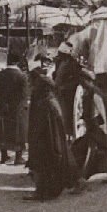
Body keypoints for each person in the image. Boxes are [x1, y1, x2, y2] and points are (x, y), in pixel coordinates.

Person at [26, 69, 77, 201]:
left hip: (46, 141)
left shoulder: (45, 103)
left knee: (44, 165)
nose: (32, 87)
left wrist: (34, 139)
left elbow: (42, 125)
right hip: (50, 141)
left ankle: (43, 191)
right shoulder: (50, 101)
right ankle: (45, 190)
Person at [0, 63, 30, 166]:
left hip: (3, 109)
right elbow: (24, 95)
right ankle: (18, 158)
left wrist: (1, 104)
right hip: (17, 110)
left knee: (2, 132)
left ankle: (4, 156)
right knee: (19, 133)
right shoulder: (22, 76)